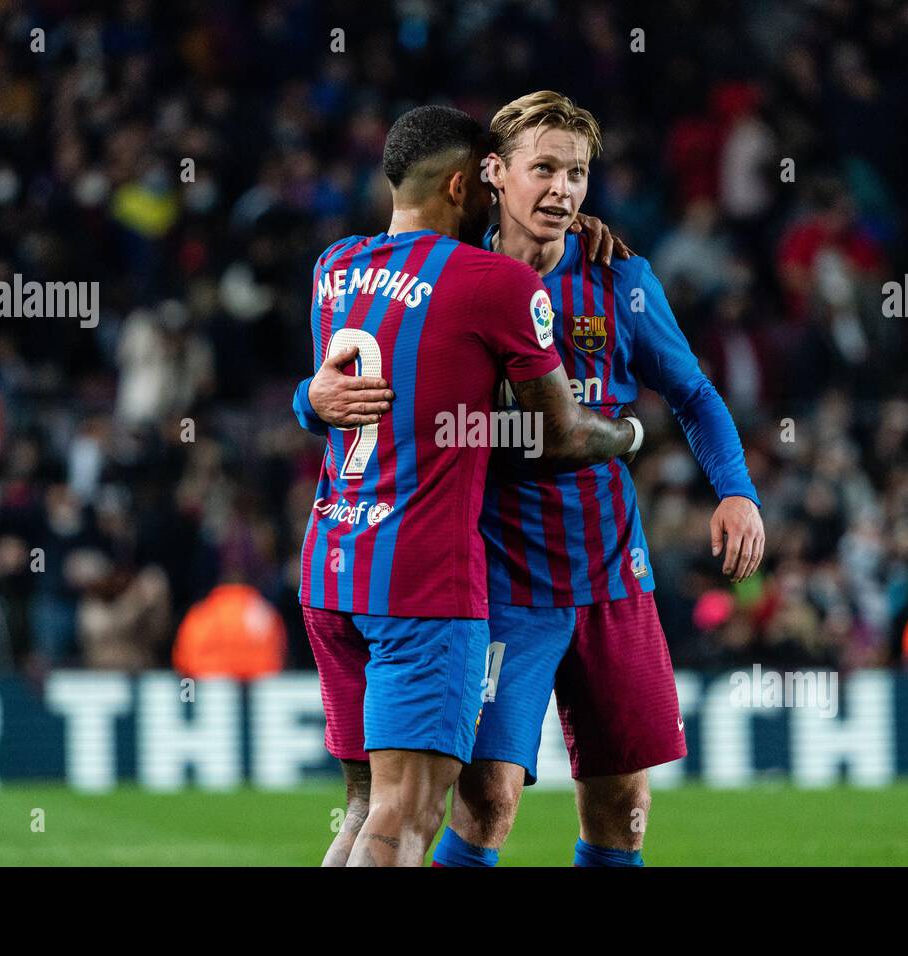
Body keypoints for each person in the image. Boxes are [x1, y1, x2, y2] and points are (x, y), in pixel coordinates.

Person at [301, 91, 764, 867]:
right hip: (500, 581)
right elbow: (365, 379)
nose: (562, 189)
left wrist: (738, 490)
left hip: (610, 575)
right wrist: (310, 400)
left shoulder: (620, 278)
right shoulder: (458, 273)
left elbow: (695, 393)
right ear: (492, 173)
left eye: (577, 173)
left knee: (623, 803)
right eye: (544, 169)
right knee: (486, 798)